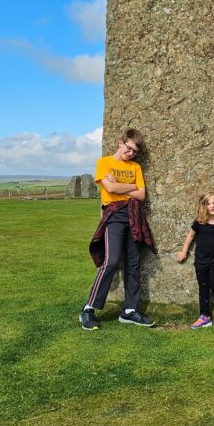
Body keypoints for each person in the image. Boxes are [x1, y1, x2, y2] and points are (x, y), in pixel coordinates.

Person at [80, 129, 156, 330]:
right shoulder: (104, 163)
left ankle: (129, 310)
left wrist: (121, 185)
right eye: (128, 148)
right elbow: (111, 190)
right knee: (111, 261)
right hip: (114, 216)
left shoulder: (136, 167)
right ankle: (88, 309)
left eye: (134, 151)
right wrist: (129, 186)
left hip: (134, 216)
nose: (130, 153)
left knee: (134, 263)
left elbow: (141, 195)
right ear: (120, 142)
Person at [177, 192, 214, 328]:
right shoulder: (199, 221)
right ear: (204, 206)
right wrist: (184, 251)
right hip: (201, 261)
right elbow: (190, 236)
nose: (212, 206)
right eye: (208, 204)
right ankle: (205, 317)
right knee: (203, 288)